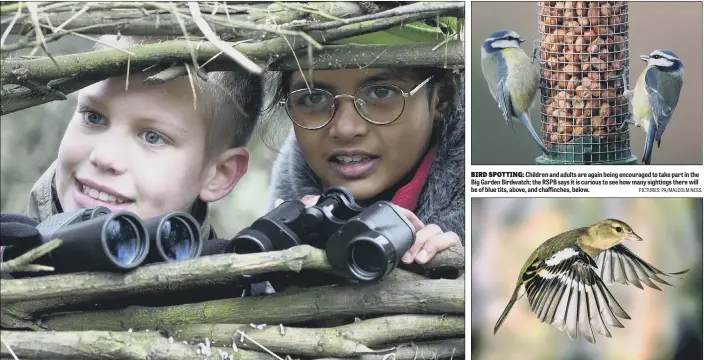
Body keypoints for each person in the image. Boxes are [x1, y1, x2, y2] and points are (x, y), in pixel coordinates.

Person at [2, 35, 263, 256]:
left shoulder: (240, 303)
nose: (104, 157)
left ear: (219, 174)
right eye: (94, 117)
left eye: (153, 137)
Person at [267, 18, 465, 266]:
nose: (345, 129)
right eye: (313, 98)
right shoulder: (283, 211)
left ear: (442, 97)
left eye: (381, 92)